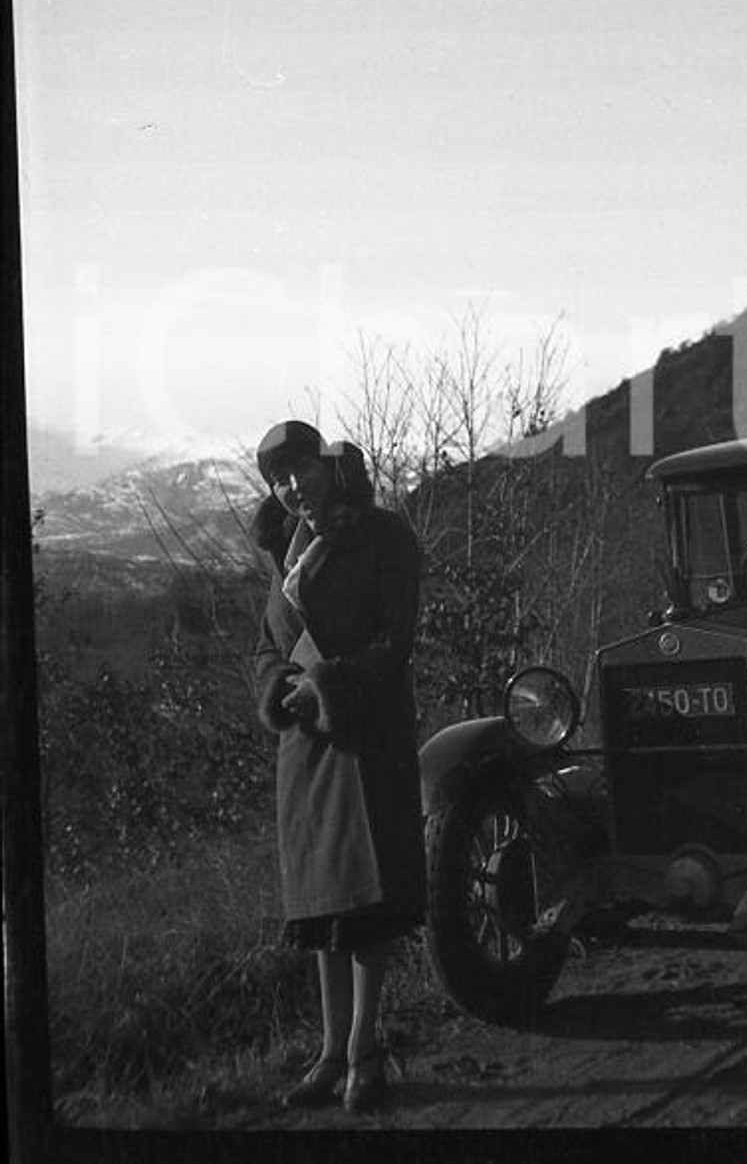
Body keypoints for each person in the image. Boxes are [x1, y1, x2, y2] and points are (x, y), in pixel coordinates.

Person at [251, 420, 426, 1114]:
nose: (294, 487)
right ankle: (329, 1052)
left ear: (327, 464)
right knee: (322, 905)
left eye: (302, 469)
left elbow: (395, 638)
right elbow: (267, 644)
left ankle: (364, 1049)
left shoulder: (385, 536)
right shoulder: (282, 548)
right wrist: (278, 689)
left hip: (364, 736)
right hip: (304, 746)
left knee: (366, 901)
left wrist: (325, 685)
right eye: (279, 480)